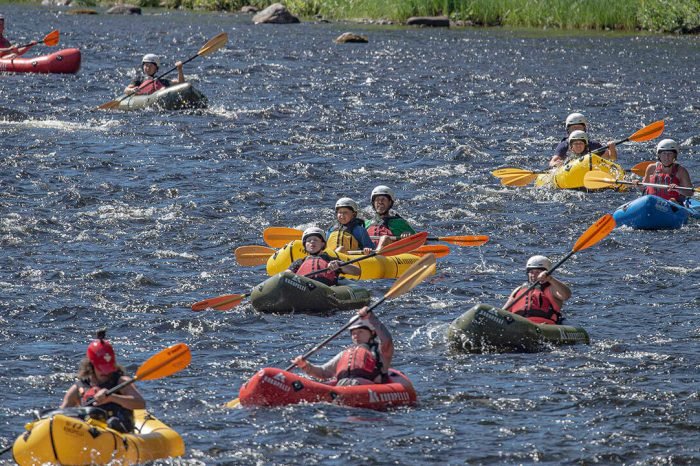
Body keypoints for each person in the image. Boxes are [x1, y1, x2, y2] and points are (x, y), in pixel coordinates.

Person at [60, 330, 146, 433]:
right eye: (101, 368)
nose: (106, 372)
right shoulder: (79, 388)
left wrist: (113, 398)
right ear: (91, 365)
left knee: (113, 422)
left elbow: (140, 404)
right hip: (90, 437)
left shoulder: (121, 382)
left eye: (108, 367)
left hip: (120, 435)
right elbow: (61, 413)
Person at [291, 306, 393, 386]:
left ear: (373, 333)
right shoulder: (345, 354)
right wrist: (305, 365)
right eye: (353, 333)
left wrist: (372, 318)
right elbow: (323, 372)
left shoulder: (380, 351)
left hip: (368, 388)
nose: (356, 335)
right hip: (343, 387)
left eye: (361, 332)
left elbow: (387, 340)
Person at [503, 255, 571, 325]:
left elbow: (566, 295)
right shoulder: (518, 289)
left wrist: (550, 279)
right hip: (517, 324)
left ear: (546, 273)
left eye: (538, 272)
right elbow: (504, 311)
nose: (533, 275)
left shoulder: (552, 289)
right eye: (531, 272)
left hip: (543, 326)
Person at [287, 227, 360, 285]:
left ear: (322, 244)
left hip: (325, 290)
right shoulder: (300, 262)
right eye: (309, 240)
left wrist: (340, 265)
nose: (312, 242)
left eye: (315, 240)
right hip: (303, 288)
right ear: (305, 245)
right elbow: (287, 274)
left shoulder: (331, 260)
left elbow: (357, 271)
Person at [635, 139, 693, 204]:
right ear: (659, 155)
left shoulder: (681, 171)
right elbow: (644, 188)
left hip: (673, 206)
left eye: (670, 154)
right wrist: (638, 185)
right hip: (652, 203)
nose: (666, 157)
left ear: (675, 155)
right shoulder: (651, 168)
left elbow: (690, 192)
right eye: (664, 153)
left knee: (672, 200)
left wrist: (678, 189)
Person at [549, 112, 617, 167]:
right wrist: (557, 164)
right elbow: (552, 162)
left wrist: (612, 148)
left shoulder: (593, 144)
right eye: (573, 128)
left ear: (584, 129)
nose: (576, 131)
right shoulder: (564, 145)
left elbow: (612, 159)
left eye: (579, 128)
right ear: (568, 130)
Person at [364, 185, 416, 250]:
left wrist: (409, 236)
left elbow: (421, 241)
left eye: (383, 199)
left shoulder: (399, 222)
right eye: (377, 200)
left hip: (389, 254)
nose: (380, 202)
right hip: (366, 253)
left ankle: (376, 254)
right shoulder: (366, 224)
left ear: (390, 202)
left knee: (385, 238)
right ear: (373, 203)